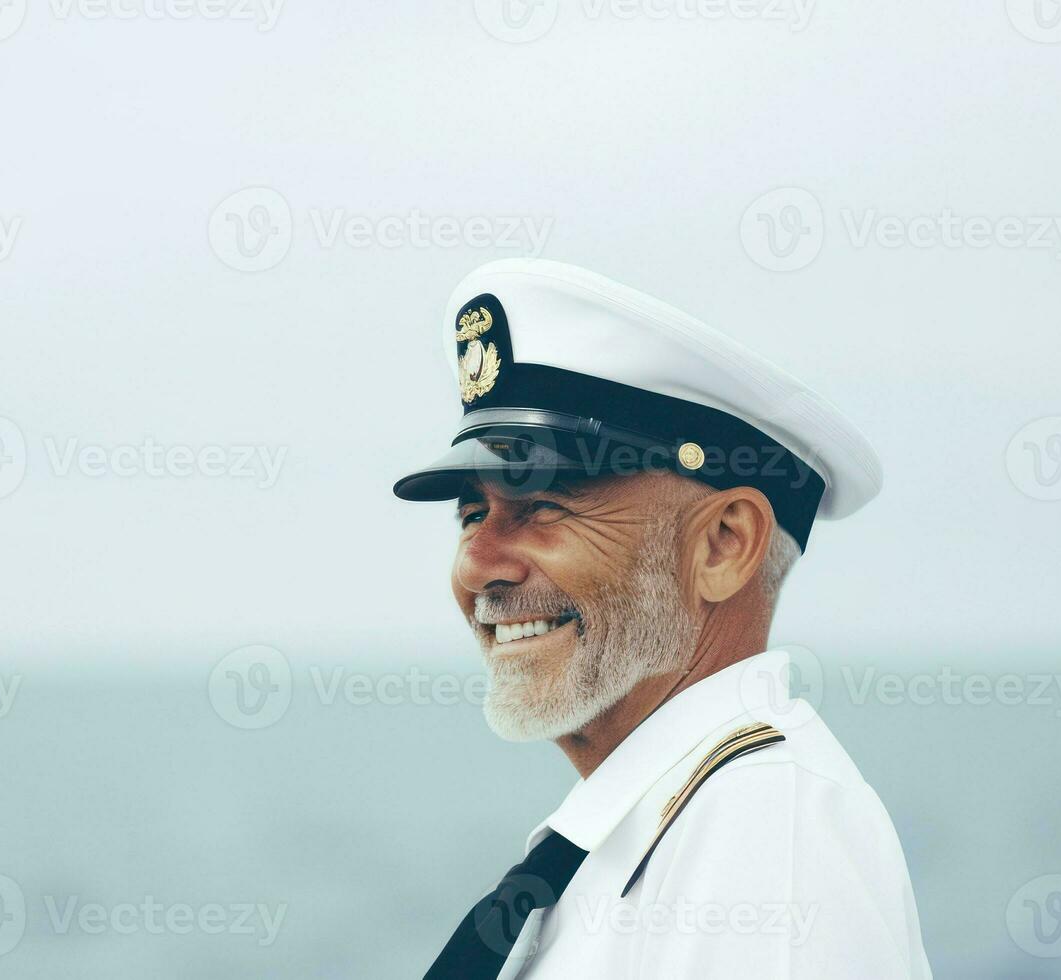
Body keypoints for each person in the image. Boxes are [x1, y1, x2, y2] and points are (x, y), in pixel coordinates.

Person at [395, 259, 931, 979]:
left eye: (544, 506)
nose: (476, 565)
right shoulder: (655, 832)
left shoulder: (767, 843)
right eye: (471, 515)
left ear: (723, 544)